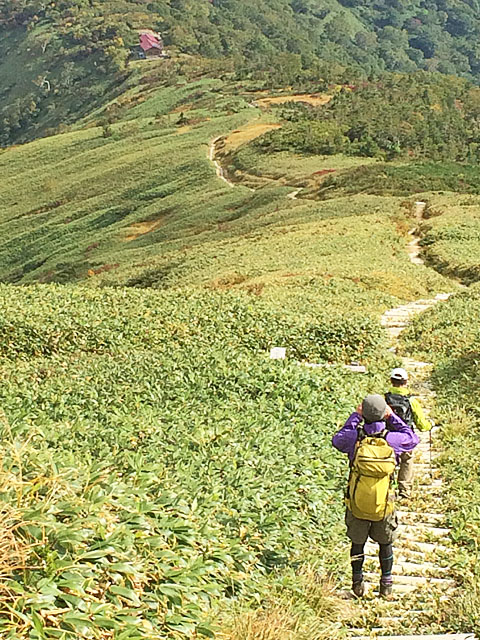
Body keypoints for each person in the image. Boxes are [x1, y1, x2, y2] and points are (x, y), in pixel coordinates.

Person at [332, 394, 419, 598]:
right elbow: (413, 438)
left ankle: (357, 584)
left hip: (357, 501)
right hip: (384, 503)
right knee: (385, 543)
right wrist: (392, 417)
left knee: (357, 544)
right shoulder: (393, 440)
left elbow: (337, 439)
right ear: (384, 413)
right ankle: (386, 585)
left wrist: (355, 416)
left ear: (363, 413)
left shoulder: (354, 438)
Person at [385, 367, 432, 499]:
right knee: (407, 460)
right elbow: (422, 425)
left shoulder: (384, 399)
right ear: (406, 382)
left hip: (387, 436)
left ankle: (388, 488)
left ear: (391, 381)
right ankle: (404, 490)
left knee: (387, 460)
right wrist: (430, 425)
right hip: (405, 437)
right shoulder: (411, 401)